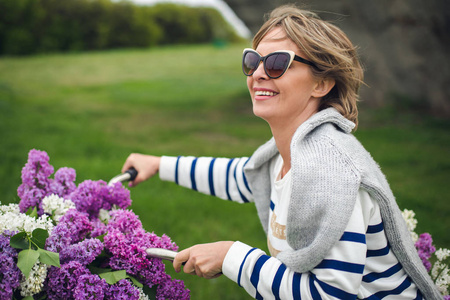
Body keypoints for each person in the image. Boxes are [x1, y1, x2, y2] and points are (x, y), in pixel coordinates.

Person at [121, 5, 441, 299]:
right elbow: (241, 177)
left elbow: (330, 295)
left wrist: (232, 257)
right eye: (252, 61)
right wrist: (159, 164)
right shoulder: (289, 154)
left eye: (277, 64)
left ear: (321, 84)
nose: (258, 73)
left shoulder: (330, 173)